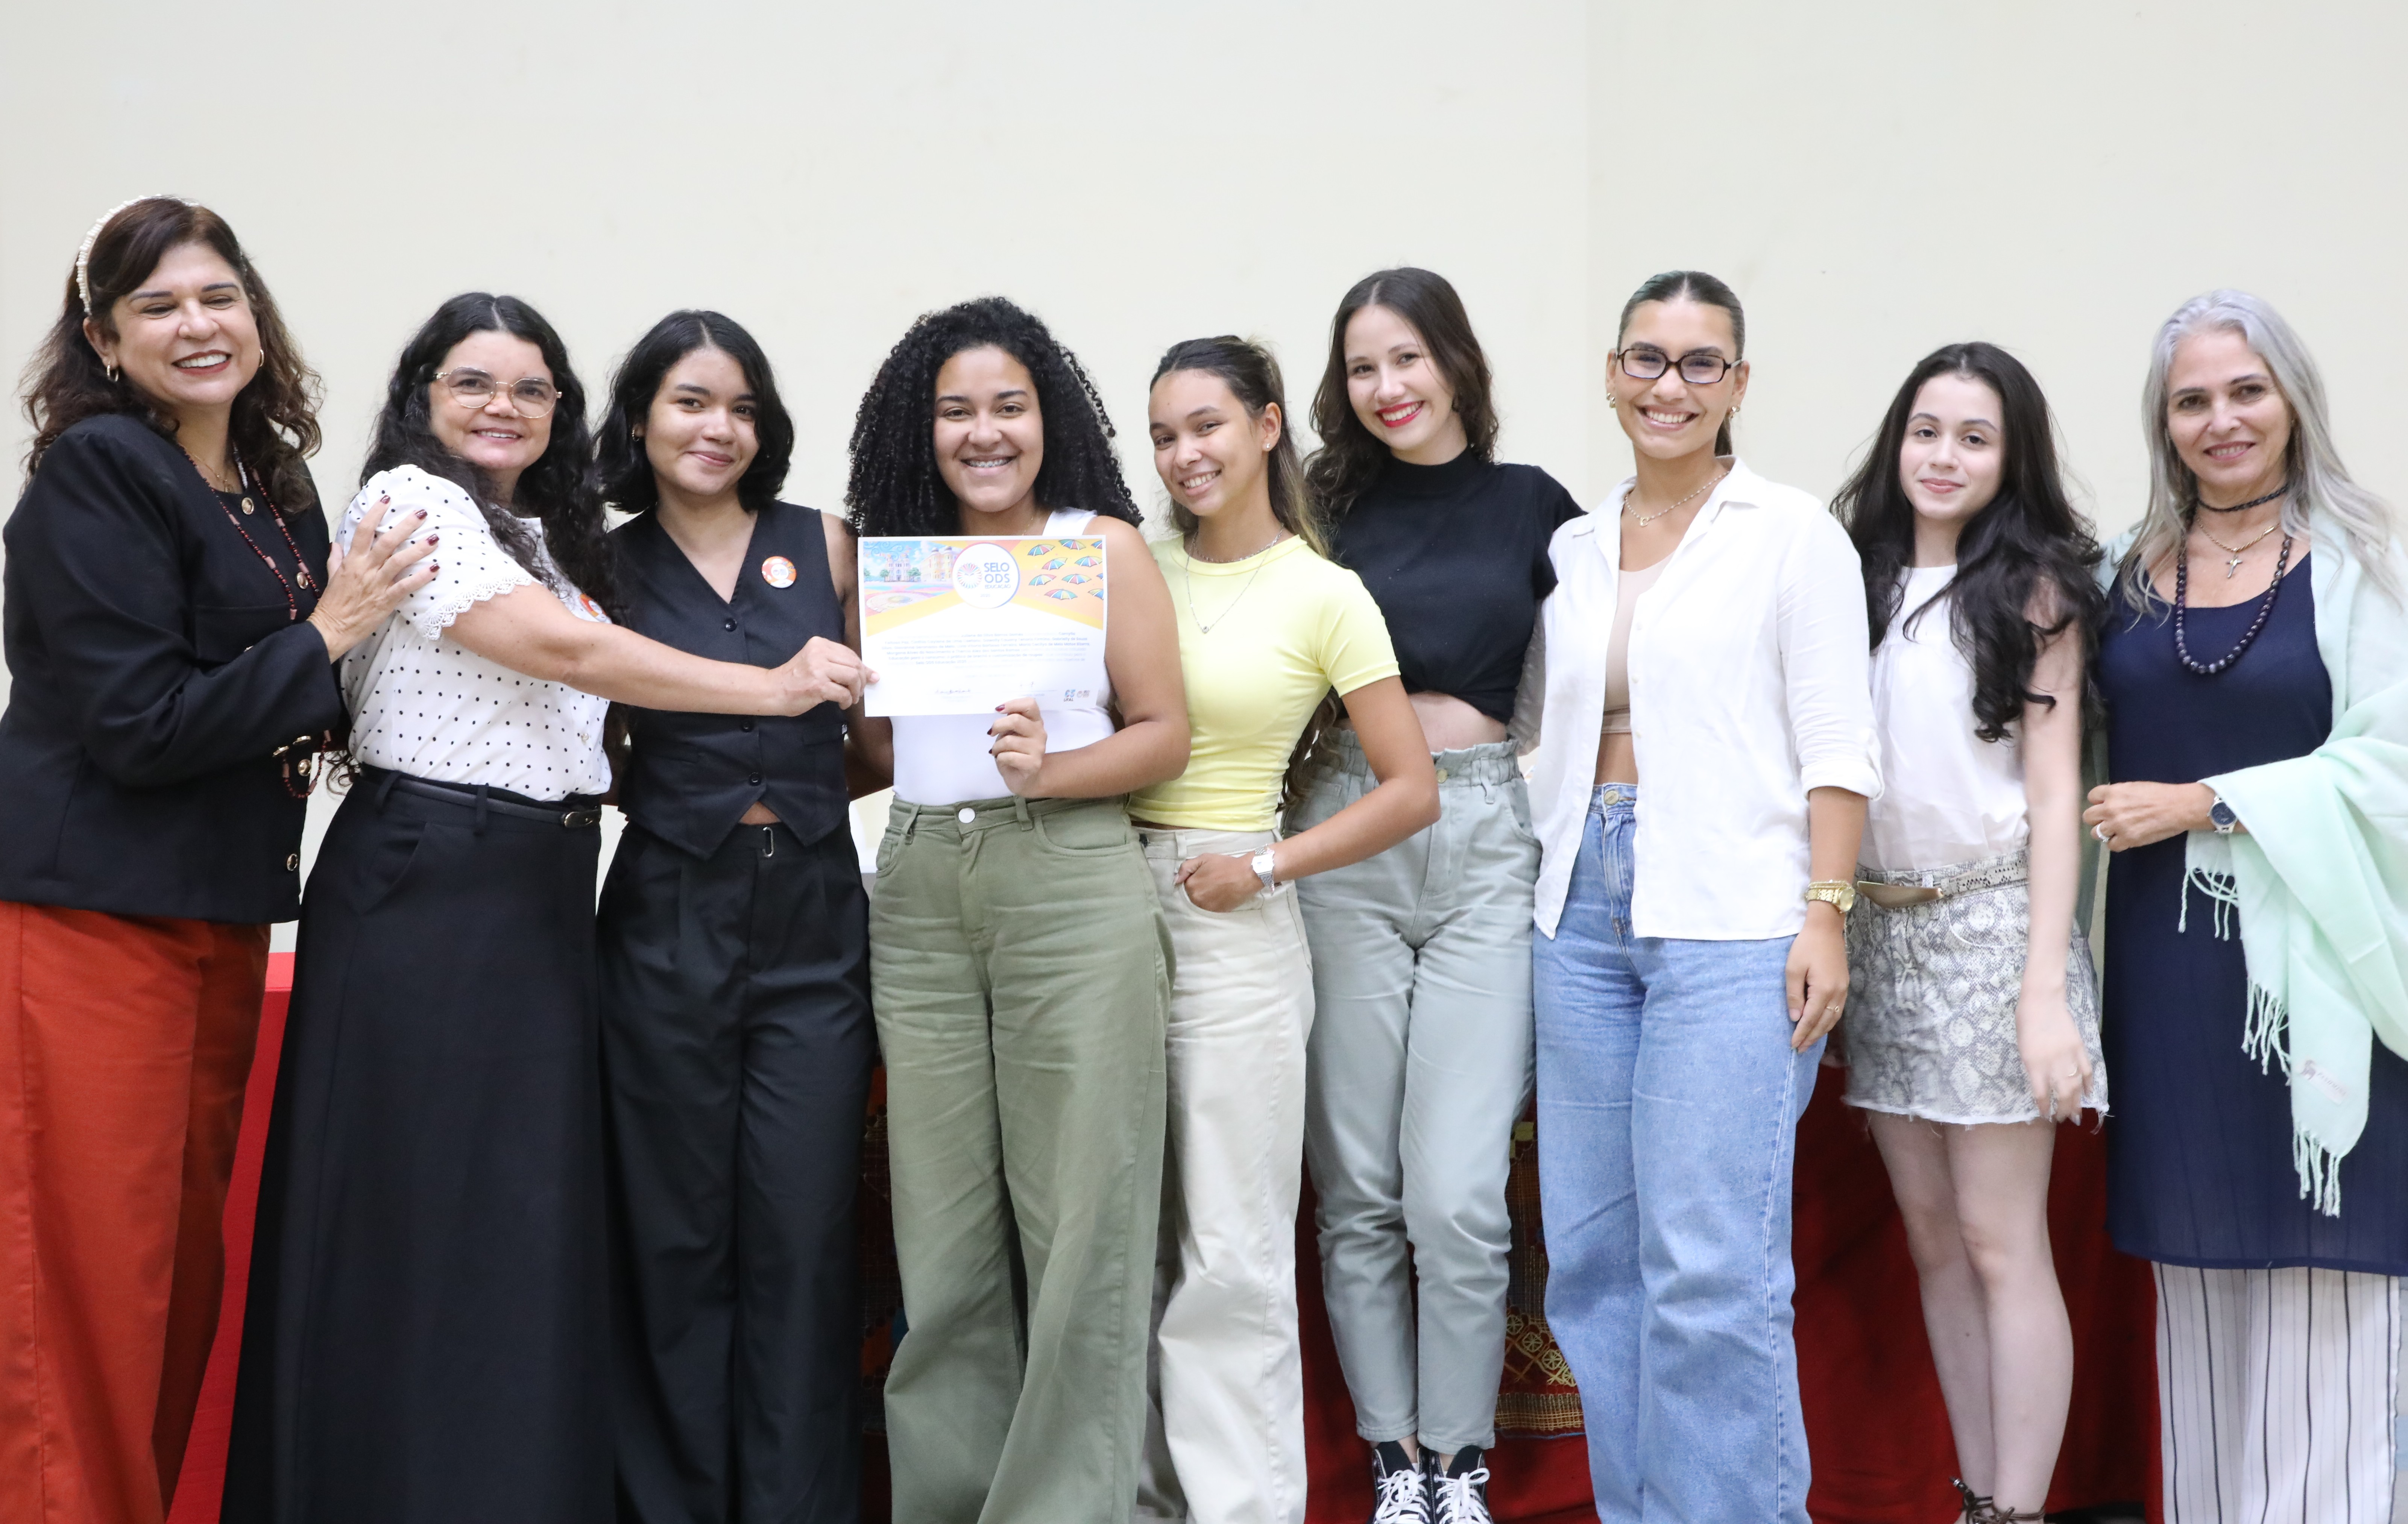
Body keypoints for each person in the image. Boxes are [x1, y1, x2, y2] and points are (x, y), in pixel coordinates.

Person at [223, 293, 864, 1524]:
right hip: (428, 882)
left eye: (530, 388)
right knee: (406, 1224)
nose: (502, 407)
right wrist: (774, 689)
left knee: (516, 1236)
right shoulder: (412, 501)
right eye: (473, 382)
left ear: (562, 410)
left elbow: (586, 729)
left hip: (540, 891)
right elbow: (565, 656)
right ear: (421, 395)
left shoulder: (545, 537)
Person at [0, 196, 433, 1524]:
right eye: (158, 306)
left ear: (255, 314)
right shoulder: (97, 472)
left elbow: (309, 683)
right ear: (103, 339)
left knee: (177, 1276)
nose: (197, 325)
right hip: (90, 917)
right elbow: (142, 726)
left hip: (222, 911)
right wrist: (331, 632)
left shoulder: (273, 481)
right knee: (83, 1281)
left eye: (218, 296)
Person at [1523, 270, 1877, 1523]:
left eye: (1697, 363)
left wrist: (1825, 908)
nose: (1666, 385)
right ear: (1610, 372)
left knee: (1710, 1270)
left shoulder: (1792, 533)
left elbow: (1837, 740)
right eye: (1644, 358)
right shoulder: (1569, 547)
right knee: (1594, 1265)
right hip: (1577, 913)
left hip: (1736, 919)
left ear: (1737, 384)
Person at [844, 296, 1187, 1524]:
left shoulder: (1102, 548)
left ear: (1050, 420)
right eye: (955, 412)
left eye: (1008, 407)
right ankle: (949, 1501)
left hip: (1070, 876)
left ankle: (1064, 1508)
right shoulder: (896, 565)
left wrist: (1053, 767)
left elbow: (1163, 732)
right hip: (921, 881)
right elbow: (878, 749)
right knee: (940, 1234)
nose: (983, 433)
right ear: (920, 429)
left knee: (1083, 1222)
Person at [2083, 291, 2408, 1523]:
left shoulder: (2360, 562)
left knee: (2328, 1295)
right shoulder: (2124, 573)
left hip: (2323, 983)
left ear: (2291, 400)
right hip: (2166, 982)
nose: (2220, 419)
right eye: (2191, 400)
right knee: (2199, 1293)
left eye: (2244, 391)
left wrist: (2205, 802)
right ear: (2162, 423)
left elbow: (2393, 764)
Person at [1128, 337, 1438, 1524]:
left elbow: (1411, 788)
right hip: (1103, 907)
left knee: (1229, 1251)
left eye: (1205, 425)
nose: (1183, 454)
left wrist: (1262, 866)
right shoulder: (1131, 560)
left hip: (1232, 920)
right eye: (1163, 435)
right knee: (1124, 1245)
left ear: (1266, 427)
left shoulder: (1323, 592)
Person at [1292, 267, 1581, 1523]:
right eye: (1361, 367)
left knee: (1456, 1192)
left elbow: (1597, 681)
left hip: (1479, 836)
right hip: (1341, 828)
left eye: (1406, 358)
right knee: (1357, 1185)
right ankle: (1395, 1462)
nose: (1386, 387)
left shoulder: (1536, 508)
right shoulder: (1314, 512)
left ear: (1456, 363)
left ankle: (1463, 1462)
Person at [592, 311, 876, 1523]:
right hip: (666, 914)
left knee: (804, 1237)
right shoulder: (598, 564)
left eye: (743, 407)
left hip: (814, 914)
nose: (719, 428)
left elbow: (875, 742)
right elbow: (586, 744)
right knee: (673, 1236)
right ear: (640, 419)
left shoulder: (828, 542)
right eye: (692, 401)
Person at [1831, 343, 2108, 1524]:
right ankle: (1976, 1497)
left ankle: (2019, 1510)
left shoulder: (2034, 593)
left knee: (2002, 1243)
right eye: (1926, 430)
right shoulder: (1849, 578)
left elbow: (2053, 798)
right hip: (1878, 934)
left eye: (1974, 437)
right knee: (1935, 1242)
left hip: (1994, 930)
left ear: (2010, 458)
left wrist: (2042, 989)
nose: (1943, 456)